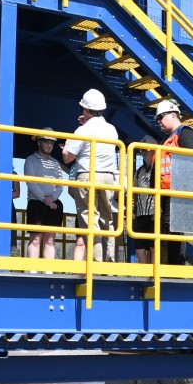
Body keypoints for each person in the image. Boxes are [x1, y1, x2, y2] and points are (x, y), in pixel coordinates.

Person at [61, 89, 119, 262]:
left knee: (90, 220)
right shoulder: (111, 129)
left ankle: (97, 262)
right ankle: (110, 261)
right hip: (108, 177)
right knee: (107, 220)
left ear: (86, 110)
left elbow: (67, 157)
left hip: (87, 175)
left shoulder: (82, 131)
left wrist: (69, 141)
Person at [151, 99, 193, 265]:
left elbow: (192, 162)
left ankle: (175, 267)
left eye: (160, 117)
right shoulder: (166, 140)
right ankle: (171, 265)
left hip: (178, 191)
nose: (158, 122)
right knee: (167, 229)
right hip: (165, 193)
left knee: (174, 229)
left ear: (173, 115)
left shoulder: (185, 133)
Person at [22, 133, 67, 261]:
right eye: (46, 141)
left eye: (52, 143)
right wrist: (44, 199)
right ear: (39, 142)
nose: (49, 145)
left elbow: (61, 185)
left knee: (50, 239)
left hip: (54, 204)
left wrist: (52, 198)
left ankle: (49, 271)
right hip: (36, 202)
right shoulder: (30, 159)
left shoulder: (56, 163)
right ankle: (32, 271)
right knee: (35, 239)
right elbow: (30, 182)